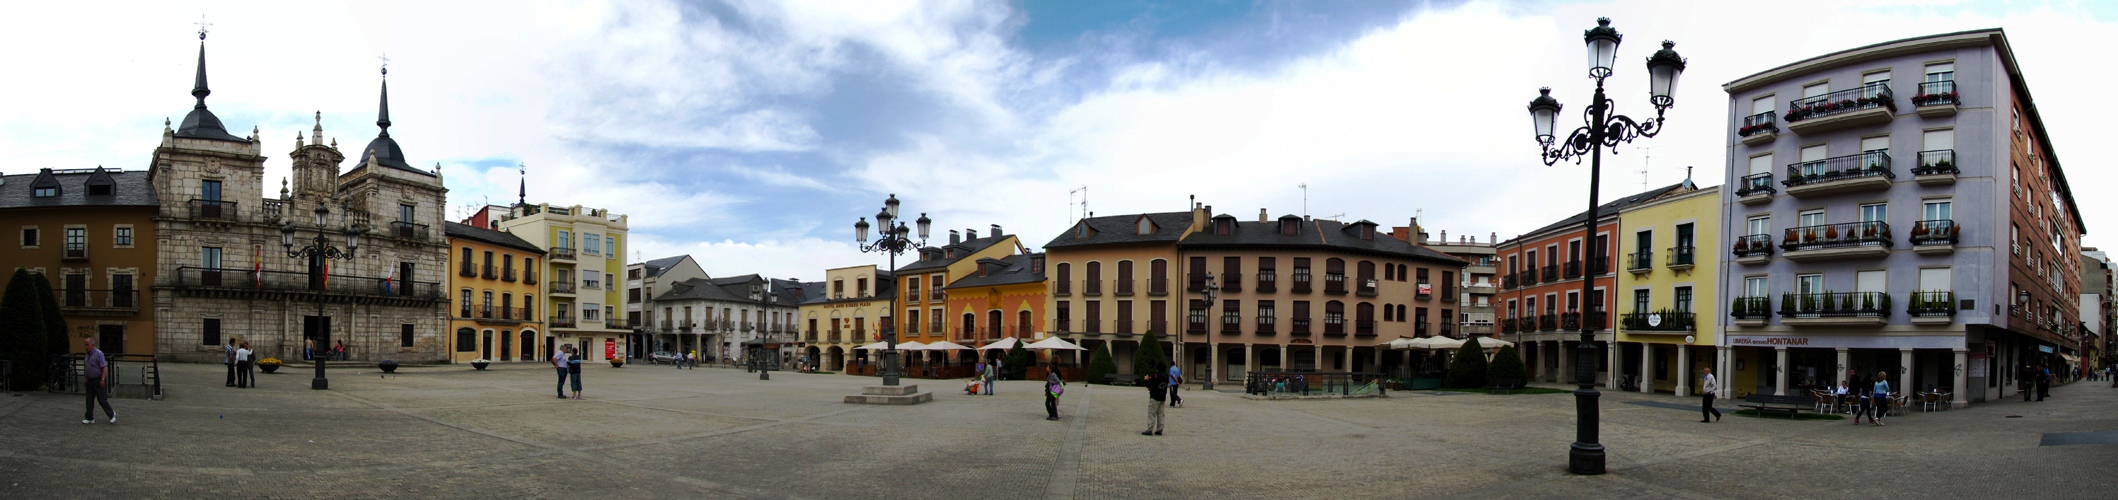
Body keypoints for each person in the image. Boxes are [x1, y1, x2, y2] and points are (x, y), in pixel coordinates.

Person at [81, 337, 116, 425]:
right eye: (85, 345)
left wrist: (102, 379)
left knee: (102, 400)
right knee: (89, 400)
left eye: (87, 345)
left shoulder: (99, 354)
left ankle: (111, 414)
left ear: (92, 345)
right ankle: (89, 418)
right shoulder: (87, 355)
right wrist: (85, 379)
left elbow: (104, 367)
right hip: (90, 380)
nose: (86, 347)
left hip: (98, 379)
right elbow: (87, 368)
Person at [1141, 363, 1169, 436]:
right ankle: (1160, 429)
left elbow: (1150, 384)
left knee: (1152, 413)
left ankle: (1149, 429)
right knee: (1161, 414)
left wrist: (1146, 380)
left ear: (1158, 368)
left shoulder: (1155, 375)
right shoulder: (1166, 376)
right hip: (1163, 397)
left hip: (1155, 396)